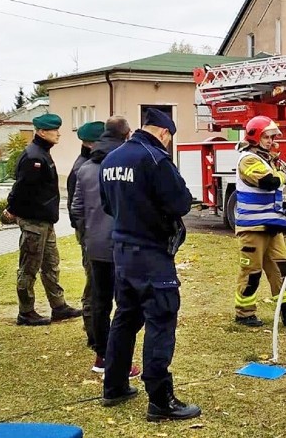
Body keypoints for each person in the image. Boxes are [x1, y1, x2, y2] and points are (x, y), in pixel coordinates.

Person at [99, 108, 200, 421]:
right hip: (152, 253)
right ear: (165, 133)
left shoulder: (111, 159)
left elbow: (106, 205)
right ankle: (160, 399)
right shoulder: (155, 158)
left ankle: (114, 386)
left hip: (123, 251)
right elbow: (181, 202)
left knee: (126, 318)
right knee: (161, 319)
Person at [70, 116, 139, 377]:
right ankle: (120, 360)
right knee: (126, 304)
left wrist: (88, 235)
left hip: (96, 245)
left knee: (100, 301)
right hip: (123, 244)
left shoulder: (86, 168)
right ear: (126, 135)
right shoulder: (126, 164)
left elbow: (77, 209)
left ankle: (101, 355)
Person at [232, 115, 286, 327]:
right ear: (255, 137)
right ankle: (244, 313)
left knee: (282, 269)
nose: (271, 141)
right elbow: (268, 182)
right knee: (252, 273)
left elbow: (281, 179)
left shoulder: (267, 158)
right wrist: (285, 172)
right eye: (266, 137)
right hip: (253, 227)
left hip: (271, 224)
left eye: (272, 137)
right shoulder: (248, 160)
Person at [5, 113, 82, 326]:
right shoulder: (34, 157)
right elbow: (22, 188)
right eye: (54, 130)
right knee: (29, 266)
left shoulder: (42, 153)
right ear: (41, 132)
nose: (58, 133)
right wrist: (12, 208)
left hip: (45, 220)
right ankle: (26, 311)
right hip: (34, 221)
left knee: (51, 264)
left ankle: (58, 306)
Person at [68, 120, 105, 350]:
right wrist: (88, 235)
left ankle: (95, 329)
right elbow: (77, 210)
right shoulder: (83, 168)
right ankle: (93, 333)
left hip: (92, 234)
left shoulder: (87, 163)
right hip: (91, 236)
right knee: (94, 285)